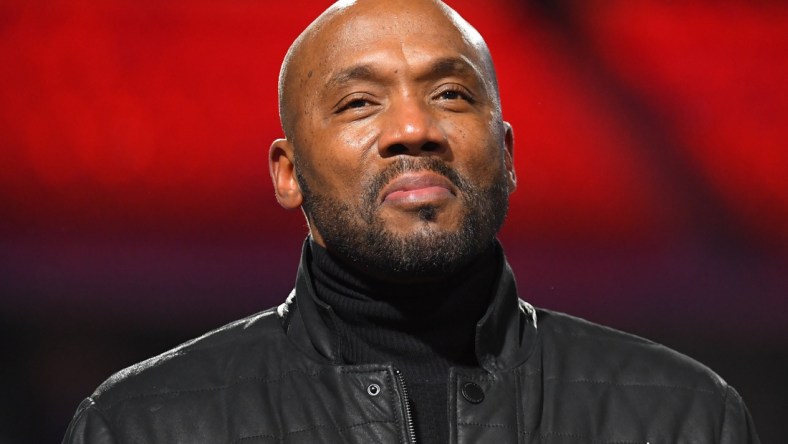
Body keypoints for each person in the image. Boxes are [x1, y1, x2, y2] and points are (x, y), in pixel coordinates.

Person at [62, 0, 760, 442]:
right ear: (287, 173)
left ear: (508, 154)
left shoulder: (685, 418)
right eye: (359, 103)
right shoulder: (141, 426)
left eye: (452, 93)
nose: (414, 128)